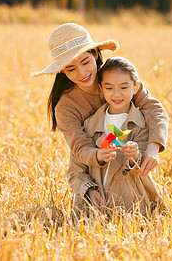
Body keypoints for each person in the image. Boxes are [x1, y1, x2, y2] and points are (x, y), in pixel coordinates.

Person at [32, 23, 168, 208]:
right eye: (71, 69)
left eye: (85, 62)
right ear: (62, 70)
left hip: (131, 178)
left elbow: (154, 109)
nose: (82, 73)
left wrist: (153, 148)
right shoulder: (65, 106)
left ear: (95, 53)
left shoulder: (119, 77)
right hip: (95, 176)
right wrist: (99, 154)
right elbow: (79, 148)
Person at [67, 57, 163, 214]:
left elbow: (142, 168)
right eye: (109, 88)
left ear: (135, 87)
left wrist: (134, 156)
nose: (117, 94)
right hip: (92, 213)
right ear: (101, 88)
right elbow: (74, 171)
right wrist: (89, 191)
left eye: (124, 87)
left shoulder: (142, 125)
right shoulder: (89, 125)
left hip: (132, 210)